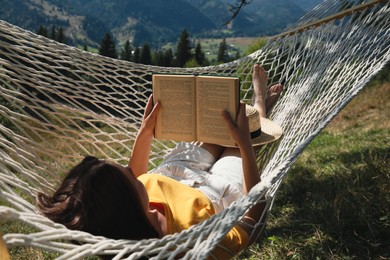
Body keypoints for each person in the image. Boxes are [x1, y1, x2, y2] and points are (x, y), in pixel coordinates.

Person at [37, 64, 283, 259]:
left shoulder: (126, 215)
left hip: (174, 171)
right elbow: (253, 224)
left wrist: (145, 132)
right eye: (129, 175)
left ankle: (255, 115)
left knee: (220, 126)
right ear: (128, 203)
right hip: (218, 192)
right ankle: (259, 102)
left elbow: (138, 173)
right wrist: (246, 148)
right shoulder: (189, 245)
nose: (129, 168)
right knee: (243, 136)